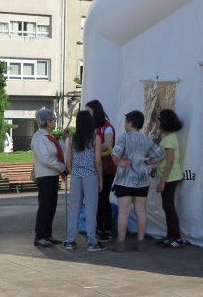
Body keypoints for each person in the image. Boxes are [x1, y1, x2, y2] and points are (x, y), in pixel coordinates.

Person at [110, 110, 163, 252]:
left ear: (131, 123)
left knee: (124, 211)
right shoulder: (146, 139)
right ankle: (141, 242)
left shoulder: (124, 137)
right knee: (141, 211)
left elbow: (114, 154)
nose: (125, 124)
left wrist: (119, 163)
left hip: (125, 181)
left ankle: (121, 243)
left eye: (126, 122)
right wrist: (147, 163)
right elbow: (159, 156)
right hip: (142, 181)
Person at [64, 110, 103, 252]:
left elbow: (68, 161)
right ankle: (92, 243)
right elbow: (98, 161)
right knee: (91, 210)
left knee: (74, 208)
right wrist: (101, 180)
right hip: (90, 175)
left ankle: (69, 241)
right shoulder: (95, 138)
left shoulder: (72, 139)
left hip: (75, 175)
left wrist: (73, 172)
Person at [30, 107, 66, 248]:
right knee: (45, 206)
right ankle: (39, 236)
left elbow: (59, 150)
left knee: (51, 206)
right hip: (45, 175)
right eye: (52, 119)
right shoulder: (39, 138)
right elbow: (45, 159)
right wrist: (62, 167)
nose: (55, 122)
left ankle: (47, 234)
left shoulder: (49, 137)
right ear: (46, 121)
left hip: (52, 175)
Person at [154, 109, 187, 248]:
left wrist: (162, 181)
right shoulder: (167, 137)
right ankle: (170, 235)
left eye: (158, 119)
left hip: (170, 178)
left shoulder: (169, 139)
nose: (156, 122)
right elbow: (164, 160)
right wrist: (154, 170)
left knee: (169, 207)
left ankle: (176, 237)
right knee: (167, 206)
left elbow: (170, 161)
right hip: (168, 177)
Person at [86, 100, 117, 242]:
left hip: (107, 168)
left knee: (104, 198)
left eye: (89, 111)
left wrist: (93, 146)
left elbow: (108, 144)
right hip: (95, 168)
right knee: (96, 199)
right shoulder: (92, 127)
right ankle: (98, 228)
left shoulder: (107, 127)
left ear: (95, 111)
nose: (87, 114)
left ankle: (107, 229)